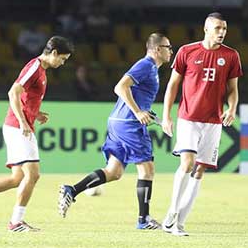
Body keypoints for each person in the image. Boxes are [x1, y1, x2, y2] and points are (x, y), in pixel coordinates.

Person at [58, 33, 174, 230]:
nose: (171, 50)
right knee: (147, 169)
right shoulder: (146, 64)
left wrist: (153, 117)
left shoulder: (152, 69)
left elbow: (137, 96)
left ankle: (72, 190)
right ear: (156, 49)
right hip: (129, 124)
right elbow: (120, 87)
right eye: (168, 47)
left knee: (114, 172)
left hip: (118, 122)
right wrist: (137, 113)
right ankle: (143, 219)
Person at [0, 36, 74, 232]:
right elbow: (13, 92)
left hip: (18, 125)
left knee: (17, 178)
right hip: (17, 126)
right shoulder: (35, 67)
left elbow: (23, 98)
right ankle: (16, 222)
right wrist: (23, 121)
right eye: (63, 59)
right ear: (54, 53)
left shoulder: (41, 70)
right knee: (33, 175)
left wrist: (34, 114)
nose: (62, 63)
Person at [160, 12, 242, 236]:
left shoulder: (231, 56)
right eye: (217, 28)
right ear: (206, 29)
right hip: (188, 118)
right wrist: (167, 115)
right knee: (187, 163)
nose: (222, 33)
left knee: (200, 170)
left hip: (213, 121)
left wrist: (232, 108)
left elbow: (233, 89)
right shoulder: (187, 51)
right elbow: (172, 85)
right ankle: (171, 214)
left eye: (224, 29)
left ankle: (180, 223)